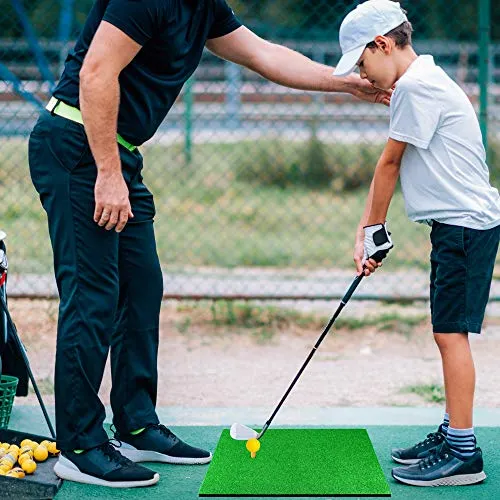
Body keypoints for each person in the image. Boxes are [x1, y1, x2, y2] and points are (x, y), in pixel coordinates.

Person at [28, 0, 390, 489]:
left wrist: (345, 82)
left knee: (141, 289)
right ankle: (80, 445)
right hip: (79, 146)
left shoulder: (203, 7)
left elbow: (263, 54)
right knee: (92, 297)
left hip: (118, 152)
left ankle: (136, 425)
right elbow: (96, 73)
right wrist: (108, 174)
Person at [333, 0, 500, 488]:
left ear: (382, 44)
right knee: (448, 331)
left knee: (451, 335)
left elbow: (389, 165)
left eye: (363, 64)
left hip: (464, 227)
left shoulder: (415, 87)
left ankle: (464, 452)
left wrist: (369, 231)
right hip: (458, 226)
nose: (365, 76)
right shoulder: (422, 81)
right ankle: (453, 434)